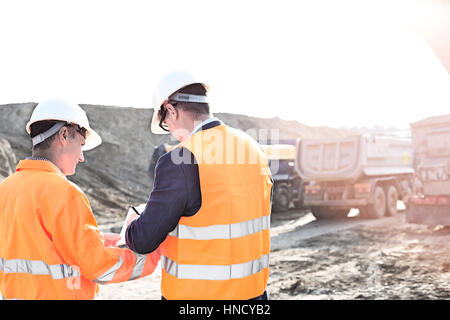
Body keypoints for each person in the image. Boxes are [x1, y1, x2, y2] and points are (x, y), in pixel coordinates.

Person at [125, 71, 273, 300]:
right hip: (253, 294)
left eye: (166, 124)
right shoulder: (252, 147)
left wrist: (133, 223)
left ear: (171, 110)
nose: (171, 133)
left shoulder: (181, 158)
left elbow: (144, 239)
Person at [0, 99, 160, 300]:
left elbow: (46, 244)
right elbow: (98, 266)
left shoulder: (6, 189)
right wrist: (150, 257)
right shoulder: (64, 192)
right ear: (64, 134)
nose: (82, 157)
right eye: (81, 145)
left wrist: (111, 240)